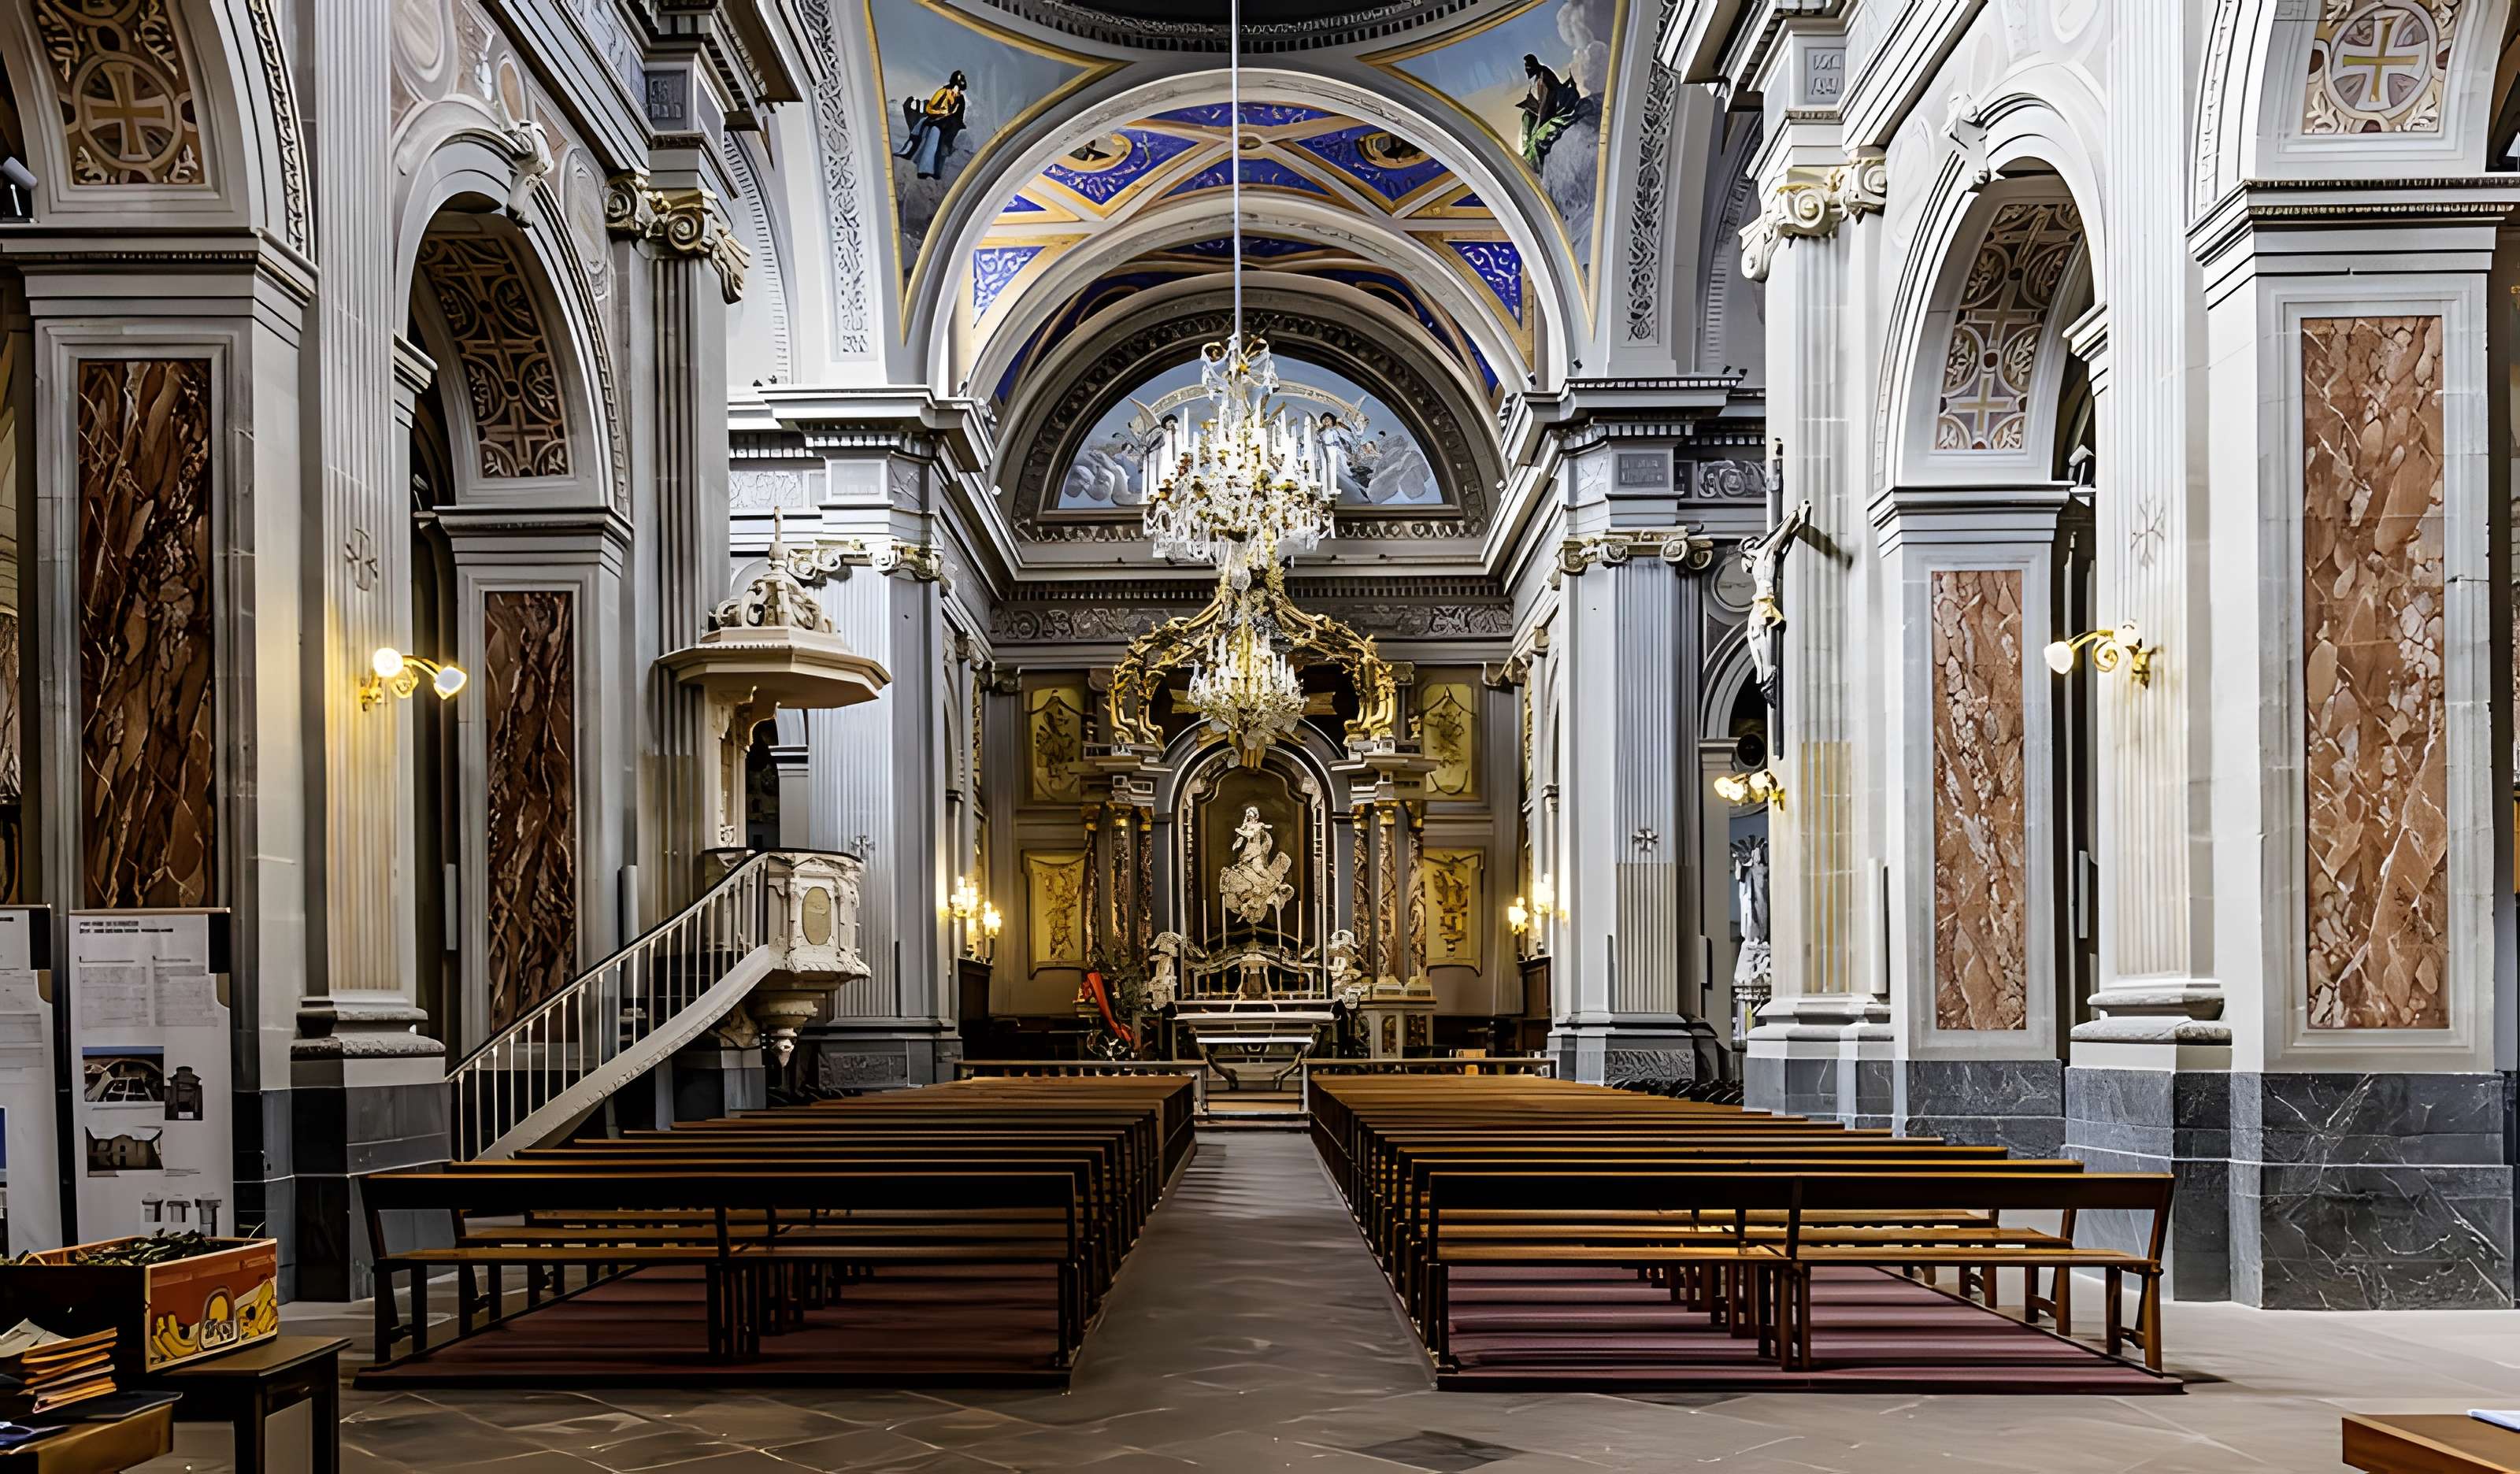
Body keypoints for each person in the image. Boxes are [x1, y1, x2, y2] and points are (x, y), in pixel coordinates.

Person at [898, 71, 967, 180]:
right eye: (957, 87)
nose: (957, 90)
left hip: (950, 123)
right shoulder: (943, 92)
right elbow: (930, 108)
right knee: (933, 130)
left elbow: (959, 116)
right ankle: (925, 169)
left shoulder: (960, 99)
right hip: (936, 119)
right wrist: (941, 113)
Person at [1516, 54, 1581, 169]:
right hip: (1535, 110)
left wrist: (1542, 117)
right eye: (1525, 66)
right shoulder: (1535, 76)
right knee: (1527, 120)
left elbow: (1555, 90)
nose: (1526, 69)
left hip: (1548, 110)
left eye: (1528, 65)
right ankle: (1528, 157)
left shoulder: (1544, 73)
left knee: (1537, 138)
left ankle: (1533, 161)